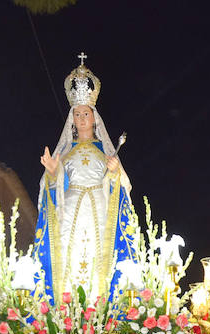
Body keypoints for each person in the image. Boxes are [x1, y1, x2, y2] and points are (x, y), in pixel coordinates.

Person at [35, 54, 137, 301]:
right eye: (77, 115)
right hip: (69, 212)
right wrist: (52, 173)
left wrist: (113, 173)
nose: (81, 119)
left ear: (94, 117)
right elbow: (55, 188)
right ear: (72, 120)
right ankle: (66, 310)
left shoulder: (106, 150)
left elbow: (123, 187)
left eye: (85, 114)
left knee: (98, 256)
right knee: (68, 257)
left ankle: (100, 307)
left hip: (100, 211)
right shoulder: (65, 152)